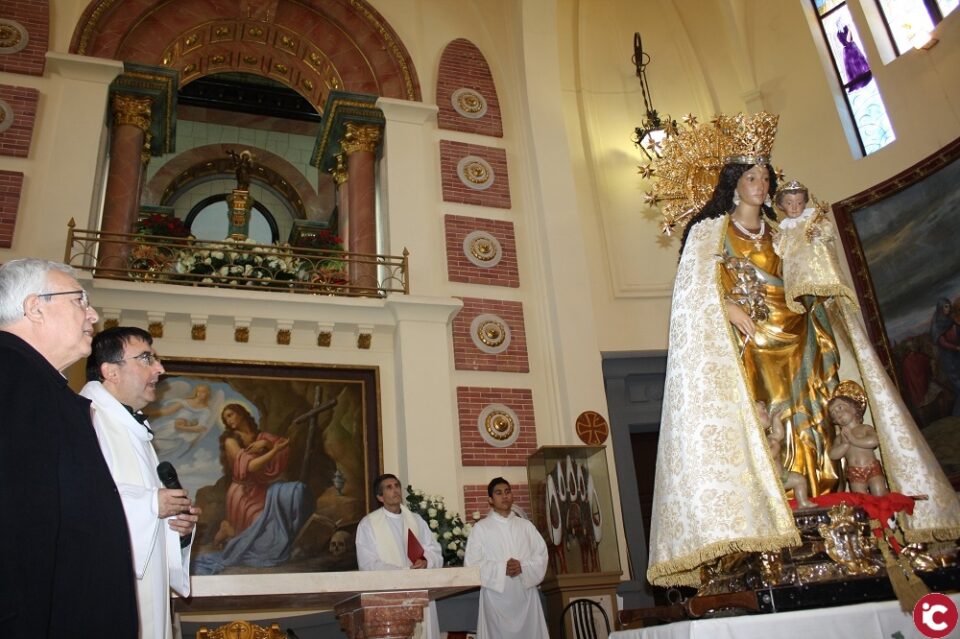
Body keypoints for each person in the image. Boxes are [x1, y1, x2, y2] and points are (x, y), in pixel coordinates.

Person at [647, 112, 960, 588]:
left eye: (766, 177)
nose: (761, 184)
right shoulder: (710, 234)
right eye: (751, 177)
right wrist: (725, 307)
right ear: (733, 184)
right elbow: (694, 296)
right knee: (772, 415)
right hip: (756, 342)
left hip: (802, 330)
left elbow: (812, 275)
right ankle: (784, 506)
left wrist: (814, 251)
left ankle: (829, 493)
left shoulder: (783, 228)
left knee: (815, 404)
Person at [0, 258, 138, 637]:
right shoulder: (14, 380)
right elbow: (15, 528)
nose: (92, 314)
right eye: (79, 300)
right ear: (34, 307)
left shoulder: (35, 382)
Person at [81, 326, 200, 639]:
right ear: (110, 371)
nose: (160, 368)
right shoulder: (86, 420)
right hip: (104, 589)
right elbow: (80, 502)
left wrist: (177, 528)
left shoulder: (132, 427)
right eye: (146, 358)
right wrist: (151, 504)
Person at [194, 403, 312, 575]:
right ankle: (228, 529)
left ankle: (230, 530)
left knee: (293, 496)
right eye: (226, 417)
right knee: (261, 540)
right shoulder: (230, 441)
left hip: (263, 489)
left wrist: (266, 444)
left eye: (231, 414)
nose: (229, 419)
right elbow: (250, 467)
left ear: (242, 414)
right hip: (244, 494)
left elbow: (285, 447)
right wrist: (272, 450)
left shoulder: (261, 436)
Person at [356, 474, 443, 639]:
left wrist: (426, 562)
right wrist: (403, 571)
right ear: (380, 497)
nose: (395, 490)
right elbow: (368, 564)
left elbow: (434, 550)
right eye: (389, 487)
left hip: (420, 591)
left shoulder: (416, 520)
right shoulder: (368, 524)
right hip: (389, 597)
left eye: (397, 485)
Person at [464, 478, 549, 639]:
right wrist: (503, 568)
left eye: (507, 491)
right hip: (496, 599)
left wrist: (522, 566)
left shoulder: (526, 526)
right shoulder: (481, 528)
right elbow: (472, 564)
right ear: (490, 500)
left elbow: (541, 555)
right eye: (499, 493)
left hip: (526, 596)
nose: (505, 496)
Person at [772, 179, 855, 314]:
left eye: (799, 203)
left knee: (830, 306)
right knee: (812, 308)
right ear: (781, 205)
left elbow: (828, 230)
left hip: (820, 271)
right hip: (800, 277)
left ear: (804, 204)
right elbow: (783, 252)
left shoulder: (812, 217)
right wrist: (777, 241)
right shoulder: (784, 227)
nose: (794, 207)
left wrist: (819, 232)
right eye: (789, 203)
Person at [828, 381, 889, 496]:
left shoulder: (865, 428)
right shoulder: (840, 438)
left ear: (854, 409)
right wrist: (845, 445)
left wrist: (853, 440)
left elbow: (874, 441)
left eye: (840, 408)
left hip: (872, 467)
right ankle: (869, 514)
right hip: (854, 472)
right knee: (861, 499)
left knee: (879, 492)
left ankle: (882, 512)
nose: (838, 413)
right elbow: (833, 455)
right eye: (834, 413)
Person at [758, 402, 813, 509]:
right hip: (767, 481)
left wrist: (776, 418)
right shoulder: (755, 442)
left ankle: (803, 503)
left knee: (799, 480)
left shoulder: (769, 439)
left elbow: (779, 434)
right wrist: (774, 448)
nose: (767, 412)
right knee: (771, 503)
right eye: (763, 410)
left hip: (782, 477)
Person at [930, 297, 960, 415]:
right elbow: (942, 342)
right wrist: (956, 348)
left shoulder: (951, 321)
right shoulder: (936, 325)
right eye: (945, 306)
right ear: (940, 308)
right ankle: (956, 414)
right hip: (948, 359)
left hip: (956, 356)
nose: (948, 308)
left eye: (949, 306)